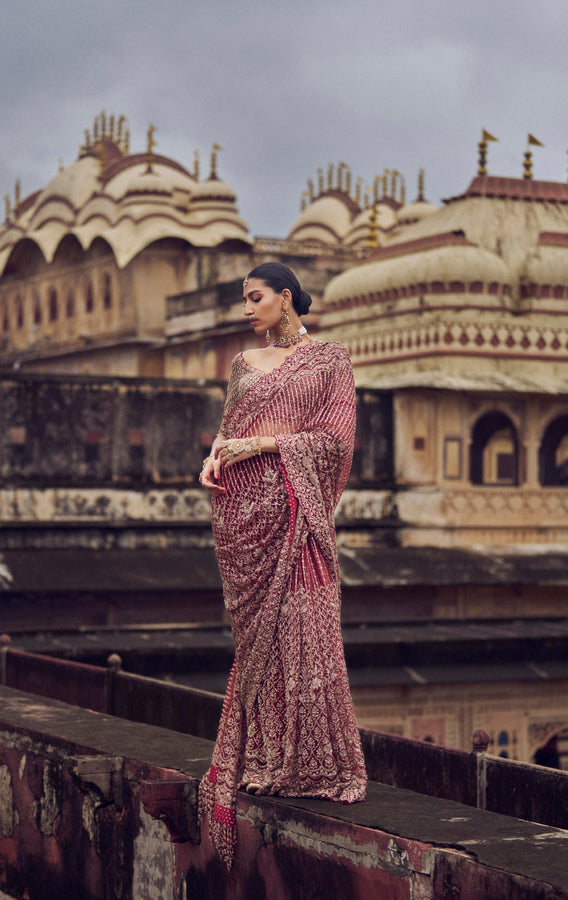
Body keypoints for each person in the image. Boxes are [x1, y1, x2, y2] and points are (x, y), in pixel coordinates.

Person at [197, 262, 367, 868]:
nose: (247, 308)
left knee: (303, 628)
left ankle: (314, 763)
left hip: (295, 512)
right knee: (256, 645)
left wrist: (267, 445)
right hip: (240, 513)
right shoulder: (242, 365)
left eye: (255, 297)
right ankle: (268, 762)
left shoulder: (329, 360)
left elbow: (336, 440)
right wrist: (215, 459)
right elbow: (226, 434)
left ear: (285, 297)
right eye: (244, 299)